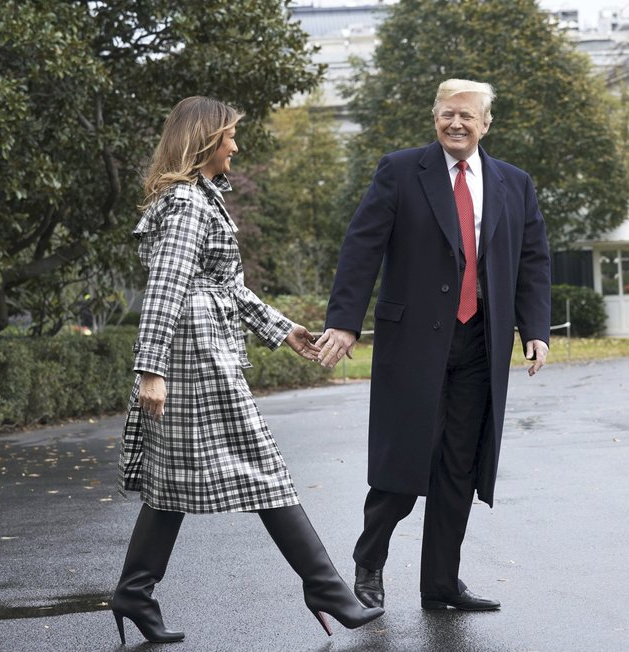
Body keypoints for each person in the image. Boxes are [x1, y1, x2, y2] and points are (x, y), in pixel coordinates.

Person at [111, 96, 383, 644]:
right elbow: (166, 288)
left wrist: (284, 330)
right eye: (231, 136)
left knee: (172, 482)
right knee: (263, 465)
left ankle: (134, 593)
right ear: (207, 141)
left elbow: (228, 286)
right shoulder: (188, 203)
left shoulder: (199, 200)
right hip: (196, 356)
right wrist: (150, 370)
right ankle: (325, 586)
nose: (237, 145)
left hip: (203, 348)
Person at [316, 79, 551, 612]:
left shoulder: (514, 183)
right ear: (435, 117)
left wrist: (533, 328)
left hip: (480, 345)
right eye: (448, 115)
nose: (456, 124)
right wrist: (345, 322)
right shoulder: (401, 170)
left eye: (467, 116)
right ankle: (369, 562)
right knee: (404, 465)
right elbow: (362, 246)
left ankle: (441, 583)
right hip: (412, 346)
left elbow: (533, 259)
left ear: (486, 123)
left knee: (457, 469)